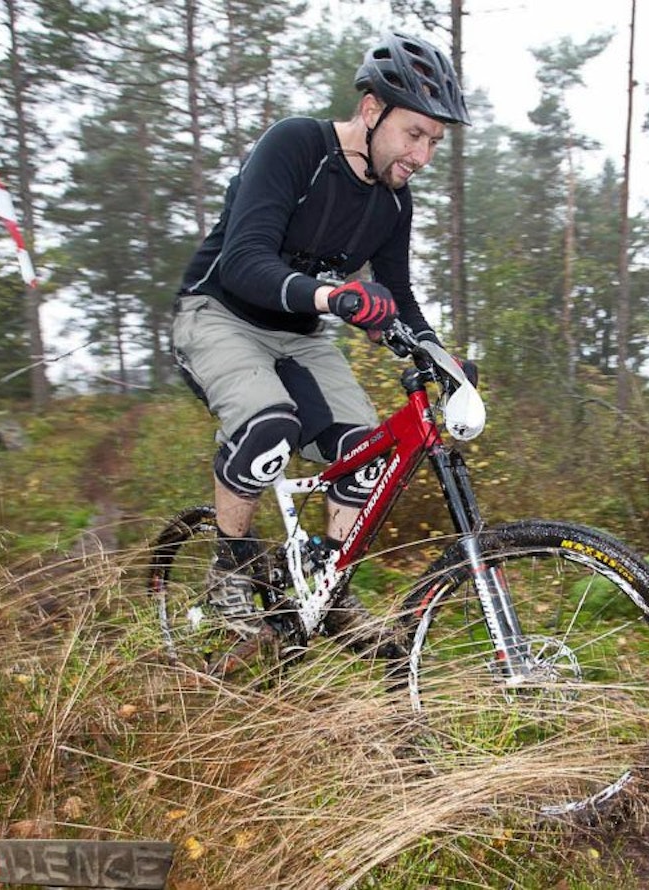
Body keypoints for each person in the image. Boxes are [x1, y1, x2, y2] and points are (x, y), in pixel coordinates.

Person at [171, 31, 471, 660]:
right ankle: (227, 575)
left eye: (435, 143)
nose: (422, 154)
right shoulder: (298, 145)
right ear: (372, 111)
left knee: (369, 451)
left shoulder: (393, 201)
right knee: (269, 427)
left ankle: (327, 588)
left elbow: (399, 298)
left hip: (300, 335)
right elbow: (244, 260)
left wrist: (443, 361)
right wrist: (334, 298)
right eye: (414, 134)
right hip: (218, 313)